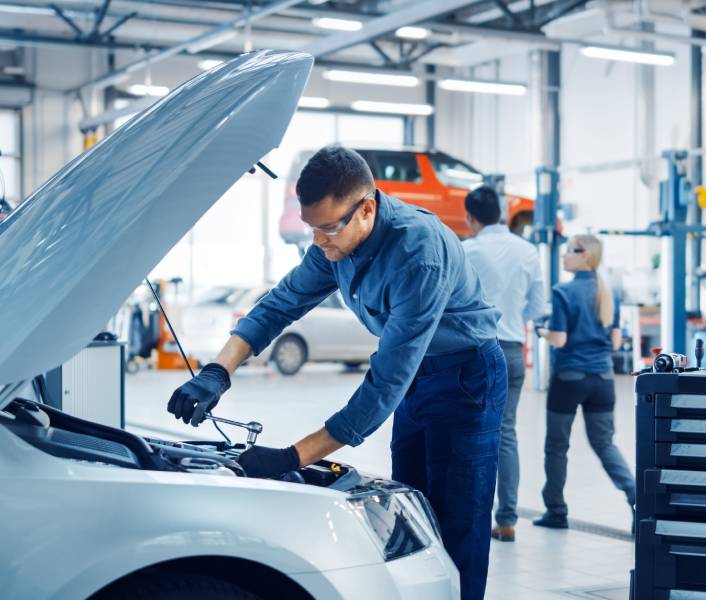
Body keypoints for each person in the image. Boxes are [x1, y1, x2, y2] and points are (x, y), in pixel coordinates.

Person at [165, 145, 506, 600]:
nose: (320, 242)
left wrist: (291, 458)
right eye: (313, 230)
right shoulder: (334, 243)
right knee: (415, 510)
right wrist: (217, 371)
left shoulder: (418, 253)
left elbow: (384, 385)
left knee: (459, 520)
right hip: (419, 378)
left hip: (467, 380)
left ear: (367, 208)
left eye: (328, 229)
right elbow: (281, 304)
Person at [534, 234, 636, 531]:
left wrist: (541, 332)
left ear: (585, 256)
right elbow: (616, 341)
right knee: (604, 443)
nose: (564, 256)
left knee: (556, 446)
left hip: (569, 378)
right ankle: (635, 495)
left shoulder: (563, 291)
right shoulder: (608, 292)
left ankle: (556, 510)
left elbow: (560, 339)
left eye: (569, 251)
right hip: (602, 379)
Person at [461, 186, 545, 543]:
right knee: (505, 433)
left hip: (475, 351)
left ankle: (470, 516)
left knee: (468, 433)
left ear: (469, 218)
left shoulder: (466, 251)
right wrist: (512, 317)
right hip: (512, 351)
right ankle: (507, 519)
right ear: (502, 214)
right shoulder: (528, 252)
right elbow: (537, 310)